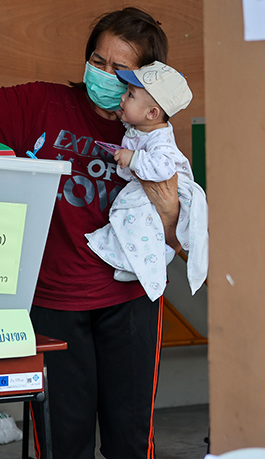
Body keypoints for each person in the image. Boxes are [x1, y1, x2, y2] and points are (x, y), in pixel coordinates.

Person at [0, 7, 180, 459]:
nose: (102, 74)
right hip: (53, 305)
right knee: (59, 448)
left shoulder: (155, 137)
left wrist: (169, 204)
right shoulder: (44, 102)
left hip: (128, 302)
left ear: (144, 82)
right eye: (96, 59)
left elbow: (176, 234)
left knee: (134, 440)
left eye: (118, 69)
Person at [85, 61, 207, 302]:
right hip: (144, 187)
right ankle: (131, 259)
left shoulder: (160, 138)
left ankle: (141, 262)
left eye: (130, 95)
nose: (122, 97)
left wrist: (133, 158)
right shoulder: (142, 126)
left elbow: (163, 168)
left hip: (165, 192)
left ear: (152, 113)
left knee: (137, 220)